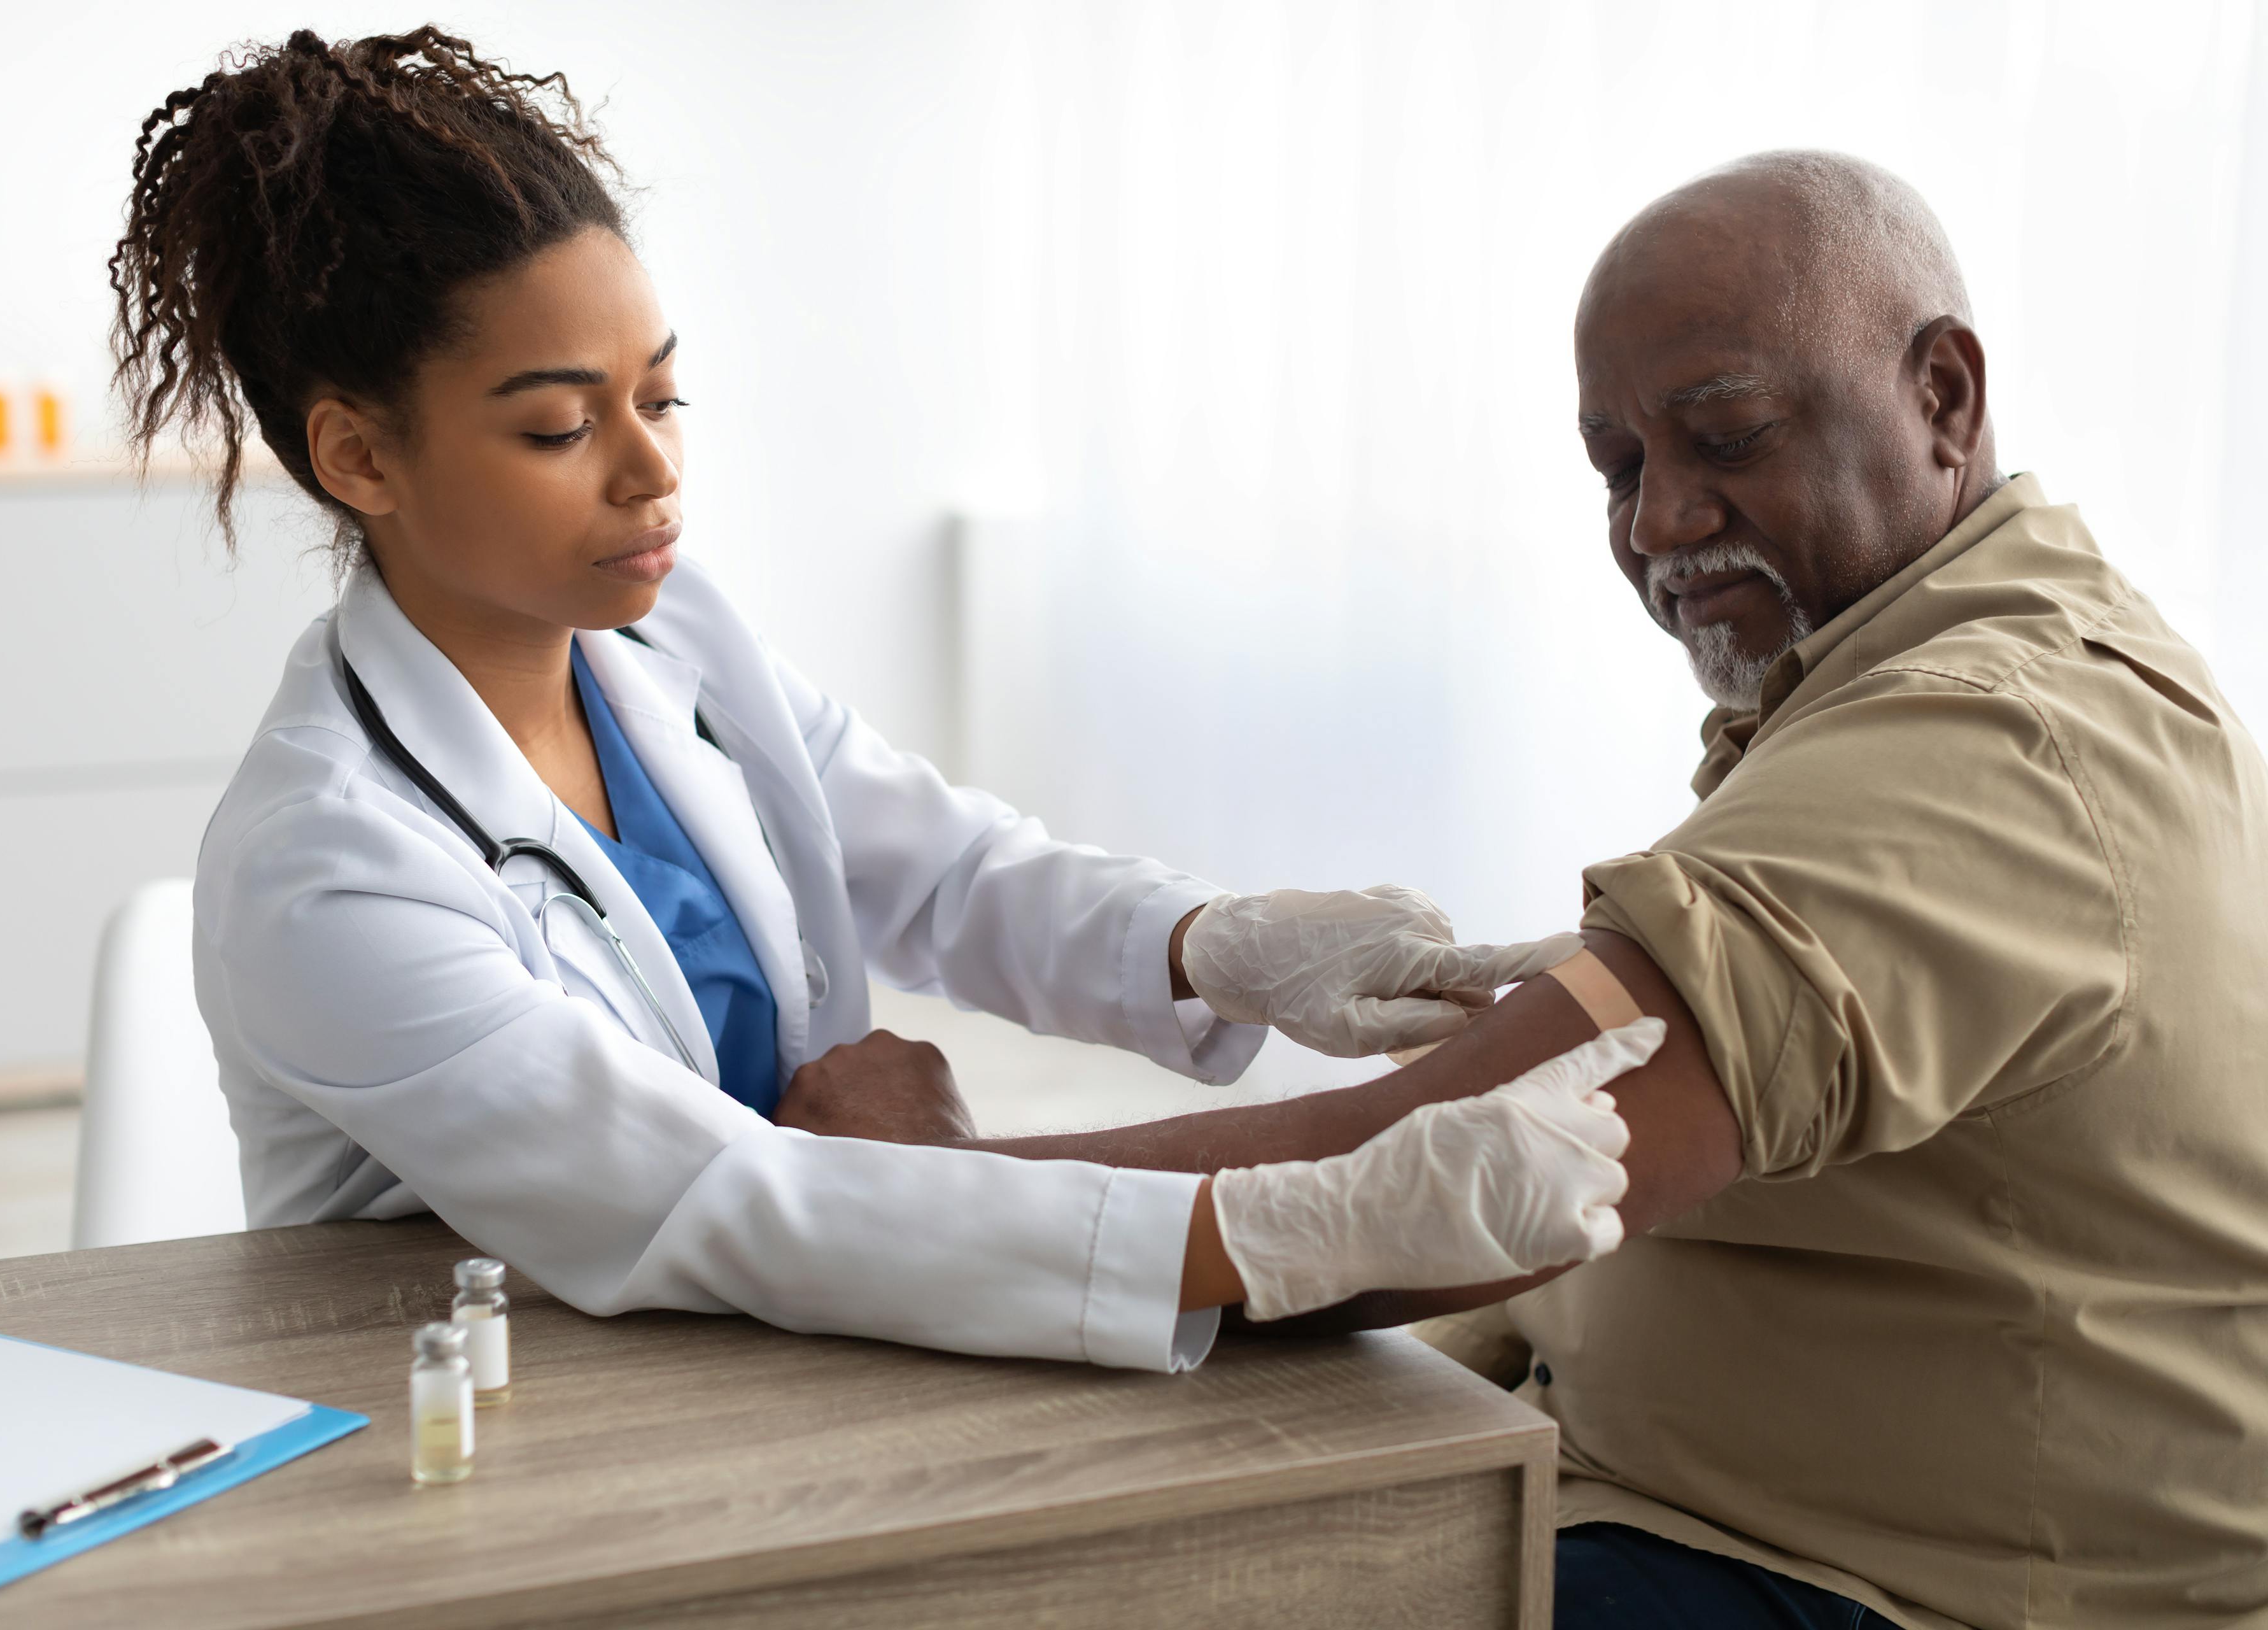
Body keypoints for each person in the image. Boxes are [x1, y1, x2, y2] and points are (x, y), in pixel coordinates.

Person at [805, 151, 2268, 1629]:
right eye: (1621, 469)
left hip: (1863, 1580)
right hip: (1720, 1497)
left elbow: (1425, 1171)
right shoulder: (1943, 663)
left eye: (1726, 435)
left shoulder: (1985, 741)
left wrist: (932, 1185)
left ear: (1943, 395)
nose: (1660, 523)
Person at [118, 28, 1640, 1375]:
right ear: (361, 458)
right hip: (508, 1408)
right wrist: (1276, 1225)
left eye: (662, 395)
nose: (652, 469)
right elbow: (714, 1196)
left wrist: (1217, 945)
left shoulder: (667, 642)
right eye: (563, 425)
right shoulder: (325, 859)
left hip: (778, 1344)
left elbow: (946, 868)